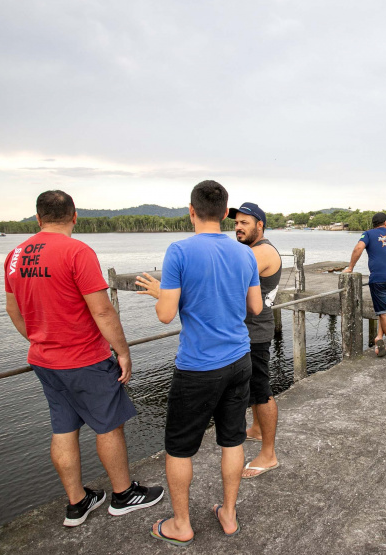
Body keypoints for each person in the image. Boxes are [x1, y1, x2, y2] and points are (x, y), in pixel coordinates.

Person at [4, 190, 163, 528]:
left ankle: (77, 502)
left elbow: (13, 311)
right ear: (74, 216)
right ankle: (123, 495)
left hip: (44, 360)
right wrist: (122, 351)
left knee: (63, 427)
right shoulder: (77, 251)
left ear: (38, 218)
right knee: (108, 424)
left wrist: (40, 339)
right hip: (84, 359)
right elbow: (103, 310)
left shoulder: (15, 256)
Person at [135, 180, 262, 544]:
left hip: (197, 366)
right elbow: (255, 307)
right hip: (239, 358)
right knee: (233, 440)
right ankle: (229, 514)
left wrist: (162, 293)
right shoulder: (244, 253)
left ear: (190, 211)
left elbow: (165, 315)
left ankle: (181, 524)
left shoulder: (178, 251)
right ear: (226, 214)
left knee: (179, 447)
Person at [230, 202, 282, 480]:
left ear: (259, 225)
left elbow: (227, 283)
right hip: (249, 330)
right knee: (251, 385)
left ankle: (268, 454)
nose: (238, 227)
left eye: (244, 223)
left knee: (262, 391)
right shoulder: (250, 250)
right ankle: (257, 429)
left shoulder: (260, 252)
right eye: (236, 222)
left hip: (256, 333)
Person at [344, 212, 386, 356]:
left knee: (384, 312)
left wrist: (350, 267)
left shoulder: (368, 234)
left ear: (373, 224)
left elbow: (358, 248)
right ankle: (379, 336)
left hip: (379, 278)